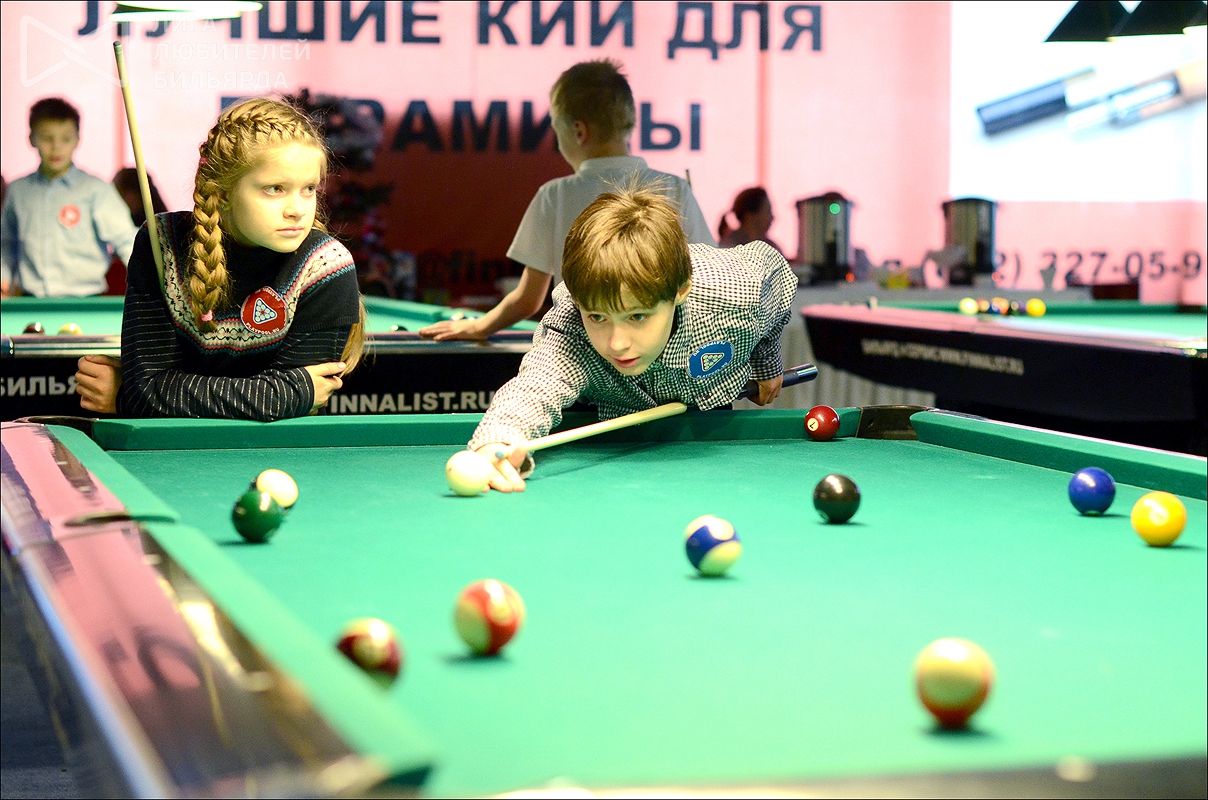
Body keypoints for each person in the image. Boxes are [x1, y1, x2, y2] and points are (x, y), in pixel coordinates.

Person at [466, 186, 796, 493]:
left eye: (637, 317)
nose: (617, 344)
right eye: (598, 317)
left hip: (704, 424)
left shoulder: (737, 296)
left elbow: (776, 275)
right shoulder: (571, 326)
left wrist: (766, 362)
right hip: (602, 432)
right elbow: (536, 386)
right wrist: (497, 441)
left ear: (680, 291)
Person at [75, 98, 364, 420]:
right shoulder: (160, 243)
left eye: (308, 189)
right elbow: (146, 391)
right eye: (274, 189)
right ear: (223, 193)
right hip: (173, 447)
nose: (297, 209)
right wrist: (285, 392)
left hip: (282, 447)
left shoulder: (327, 265)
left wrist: (132, 397)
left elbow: (295, 411)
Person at [419, 59, 713, 342]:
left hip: (578, 355)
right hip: (655, 350)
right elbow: (707, 278)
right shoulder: (676, 189)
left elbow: (528, 300)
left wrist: (478, 327)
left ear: (578, 132)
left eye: (557, 132)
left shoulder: (554, 196)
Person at [1, 98, 137, 297]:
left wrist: (152, 281)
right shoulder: (18, 191)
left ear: (77, 140)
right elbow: (5, 243)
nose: (56, 146)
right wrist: (3, 277)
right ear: (31, 139)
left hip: (86, 301)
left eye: (65, 139)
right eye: (47, 138)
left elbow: (126, 240)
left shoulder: (96, 190)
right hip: (31, 301)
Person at [717, 186, 782, 254]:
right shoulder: (728, 248)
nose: (772, 217)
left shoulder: (771, 248)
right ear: (750, 216)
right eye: (768, 211)